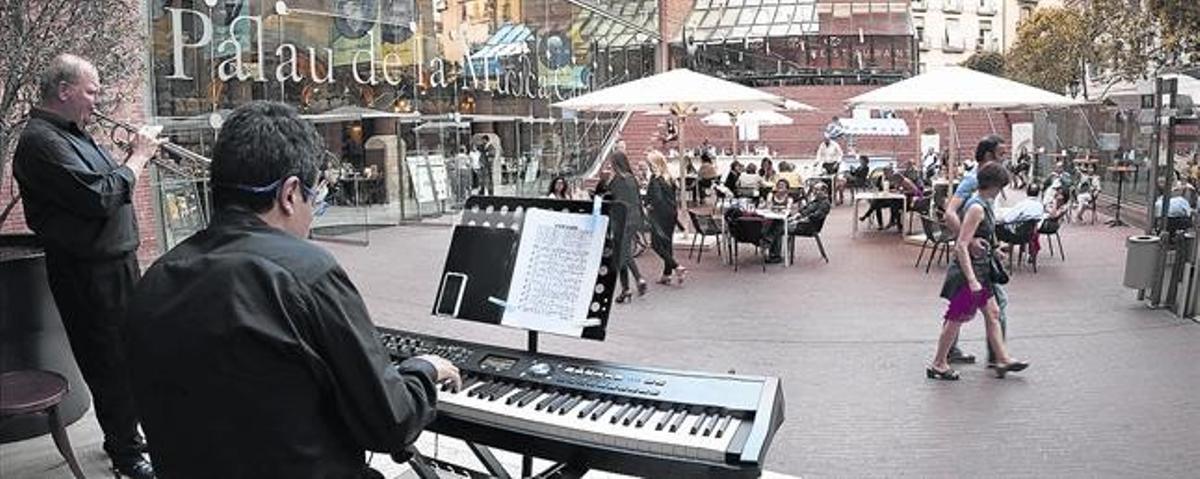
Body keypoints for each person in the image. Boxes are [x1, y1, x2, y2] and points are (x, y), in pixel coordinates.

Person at [124, 102, 462, 478]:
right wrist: (421, 370)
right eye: (316, 196)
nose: (314, 210)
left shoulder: (154, 281)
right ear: (289, 194)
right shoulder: (306, 272)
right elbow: (390, 423)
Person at [12, 54, 158, 479]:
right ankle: (126, 456)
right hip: (88, 274)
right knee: (109, 362)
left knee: (128, 356)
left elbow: (103, 187)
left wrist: (127, 160)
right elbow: (99, 196)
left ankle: (126, 437)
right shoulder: (41, 141)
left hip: (114, 265)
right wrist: (138, 158)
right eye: (91, 91)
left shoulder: (72, 134)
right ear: (64, 90)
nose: (97, 100)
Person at [928, 162, 1029, 380]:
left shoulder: (982, 203)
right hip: (970, 272)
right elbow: (962, 245)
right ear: (993, 185)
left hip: (980, 270)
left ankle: (1002, 358)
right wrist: (972, 280)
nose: (1002, 191)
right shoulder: (976, 208)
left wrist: (993, 250)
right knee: (956, 317)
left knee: (992, 313)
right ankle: (938, 363)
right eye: (1001, 186)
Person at [942, 135, 1008, 366]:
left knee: (985, 310)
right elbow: (949, 212)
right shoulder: (973, 182)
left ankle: (999, 356)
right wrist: (968, 242)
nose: (1005, 158)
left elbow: (988, 220)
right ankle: (994, 357)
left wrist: (995, 244)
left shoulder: (993, 180)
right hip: (971, 263)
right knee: (961, 312)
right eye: (1001, 154)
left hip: (979, 262)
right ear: (989, 156)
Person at [607, 140, 647, 303]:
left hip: (621, 220)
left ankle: (630, 285)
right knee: (623, 252)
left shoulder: (616, 181)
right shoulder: (632, 178)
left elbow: (613, 201)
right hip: (634, 218)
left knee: (621, 253)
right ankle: (631, 285)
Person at [645, 151, 687, 285]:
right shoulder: (670, 178)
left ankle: (676, 267)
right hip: (671, 214)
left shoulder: (655, 179)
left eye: (649, 164)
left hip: (659, 215)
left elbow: (656, 198)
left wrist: (649, 205)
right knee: (667, 243)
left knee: (656, 244)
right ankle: (667, 274)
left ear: (654, 164)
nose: (648, 166)